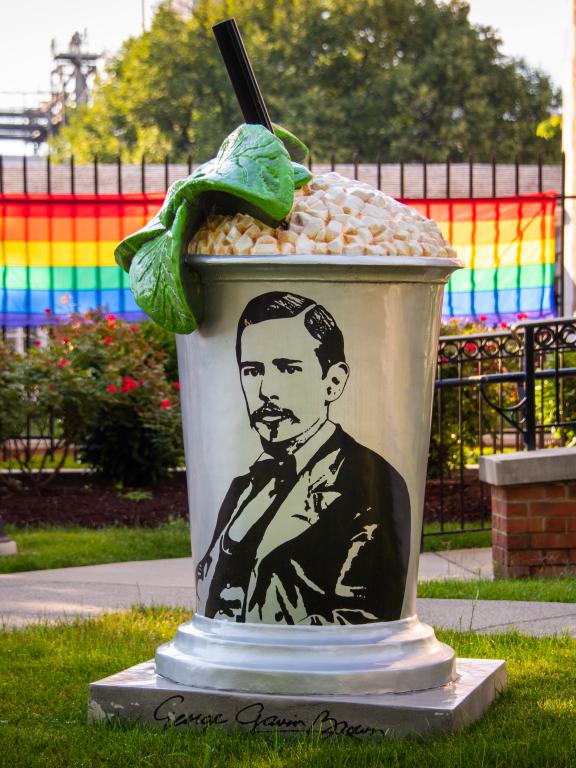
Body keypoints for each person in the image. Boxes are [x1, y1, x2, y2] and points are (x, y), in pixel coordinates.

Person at [196, 291, 411, 625]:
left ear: (333, 382)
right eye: (252, 371)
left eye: (286, 368)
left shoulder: (369, 481)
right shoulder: (242, 488)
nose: (265, 391)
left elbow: (367, 620)